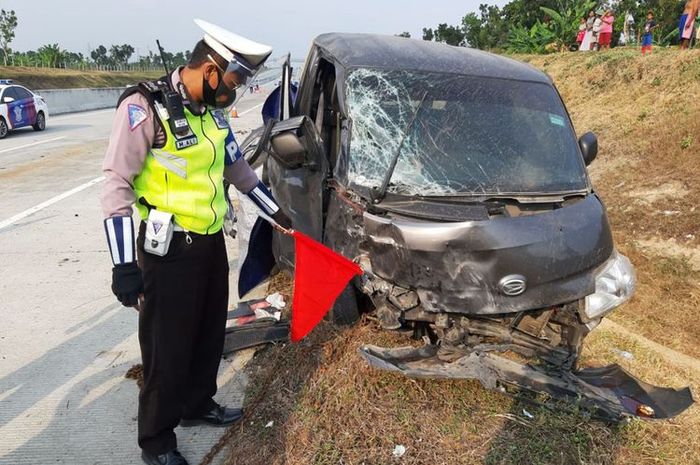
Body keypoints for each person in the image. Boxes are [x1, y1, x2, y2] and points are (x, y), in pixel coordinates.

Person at [101, 18, 291, 465]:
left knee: (206, 333)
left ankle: (197, 404)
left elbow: (238, 171)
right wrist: (123, 264)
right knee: (166, 348)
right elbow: (116, 184)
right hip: (166, 251)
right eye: (236, 79)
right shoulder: (144, 107)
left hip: (207, 245)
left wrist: (278, 213)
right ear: (209, 70)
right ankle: (157, 441)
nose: (238, 89)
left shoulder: (212, 114)